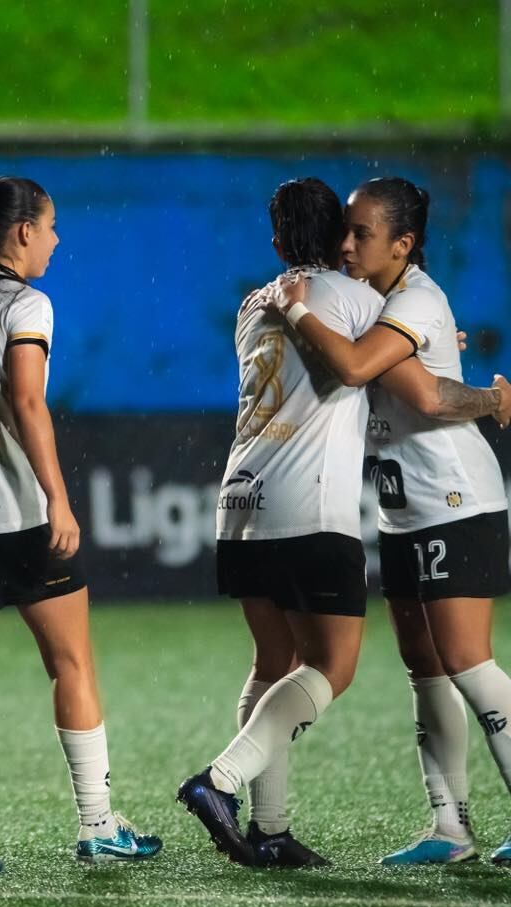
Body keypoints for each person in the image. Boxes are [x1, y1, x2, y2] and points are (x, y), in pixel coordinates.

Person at [0, 176, 162, 875]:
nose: (54, 239)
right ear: (21, 232)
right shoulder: (27, 304)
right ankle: (97, 823)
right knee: (72, 664)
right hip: (14, 513)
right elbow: (26, 400)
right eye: (50, 227)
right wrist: (59, 497)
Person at [270, 177, 511, 867]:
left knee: (468, 661)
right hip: (405, 508)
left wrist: (294, 310)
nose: (345, 243)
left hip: (455, 500)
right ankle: (449, 827)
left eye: (362, 234)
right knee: (425, 667)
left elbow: (393, 386)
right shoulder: (384, 303)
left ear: (402, 245)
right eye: (345, 230)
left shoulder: (414, 300)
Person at [176, 178, 388, 867]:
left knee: (273, 663)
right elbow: (381, 375)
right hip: (310, 508)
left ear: (275, 242)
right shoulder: (358, 299)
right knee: (333, 666)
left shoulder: (251, 304)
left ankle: (269, 831)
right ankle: (221, 781)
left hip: (240, 504)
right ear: (341, 239)